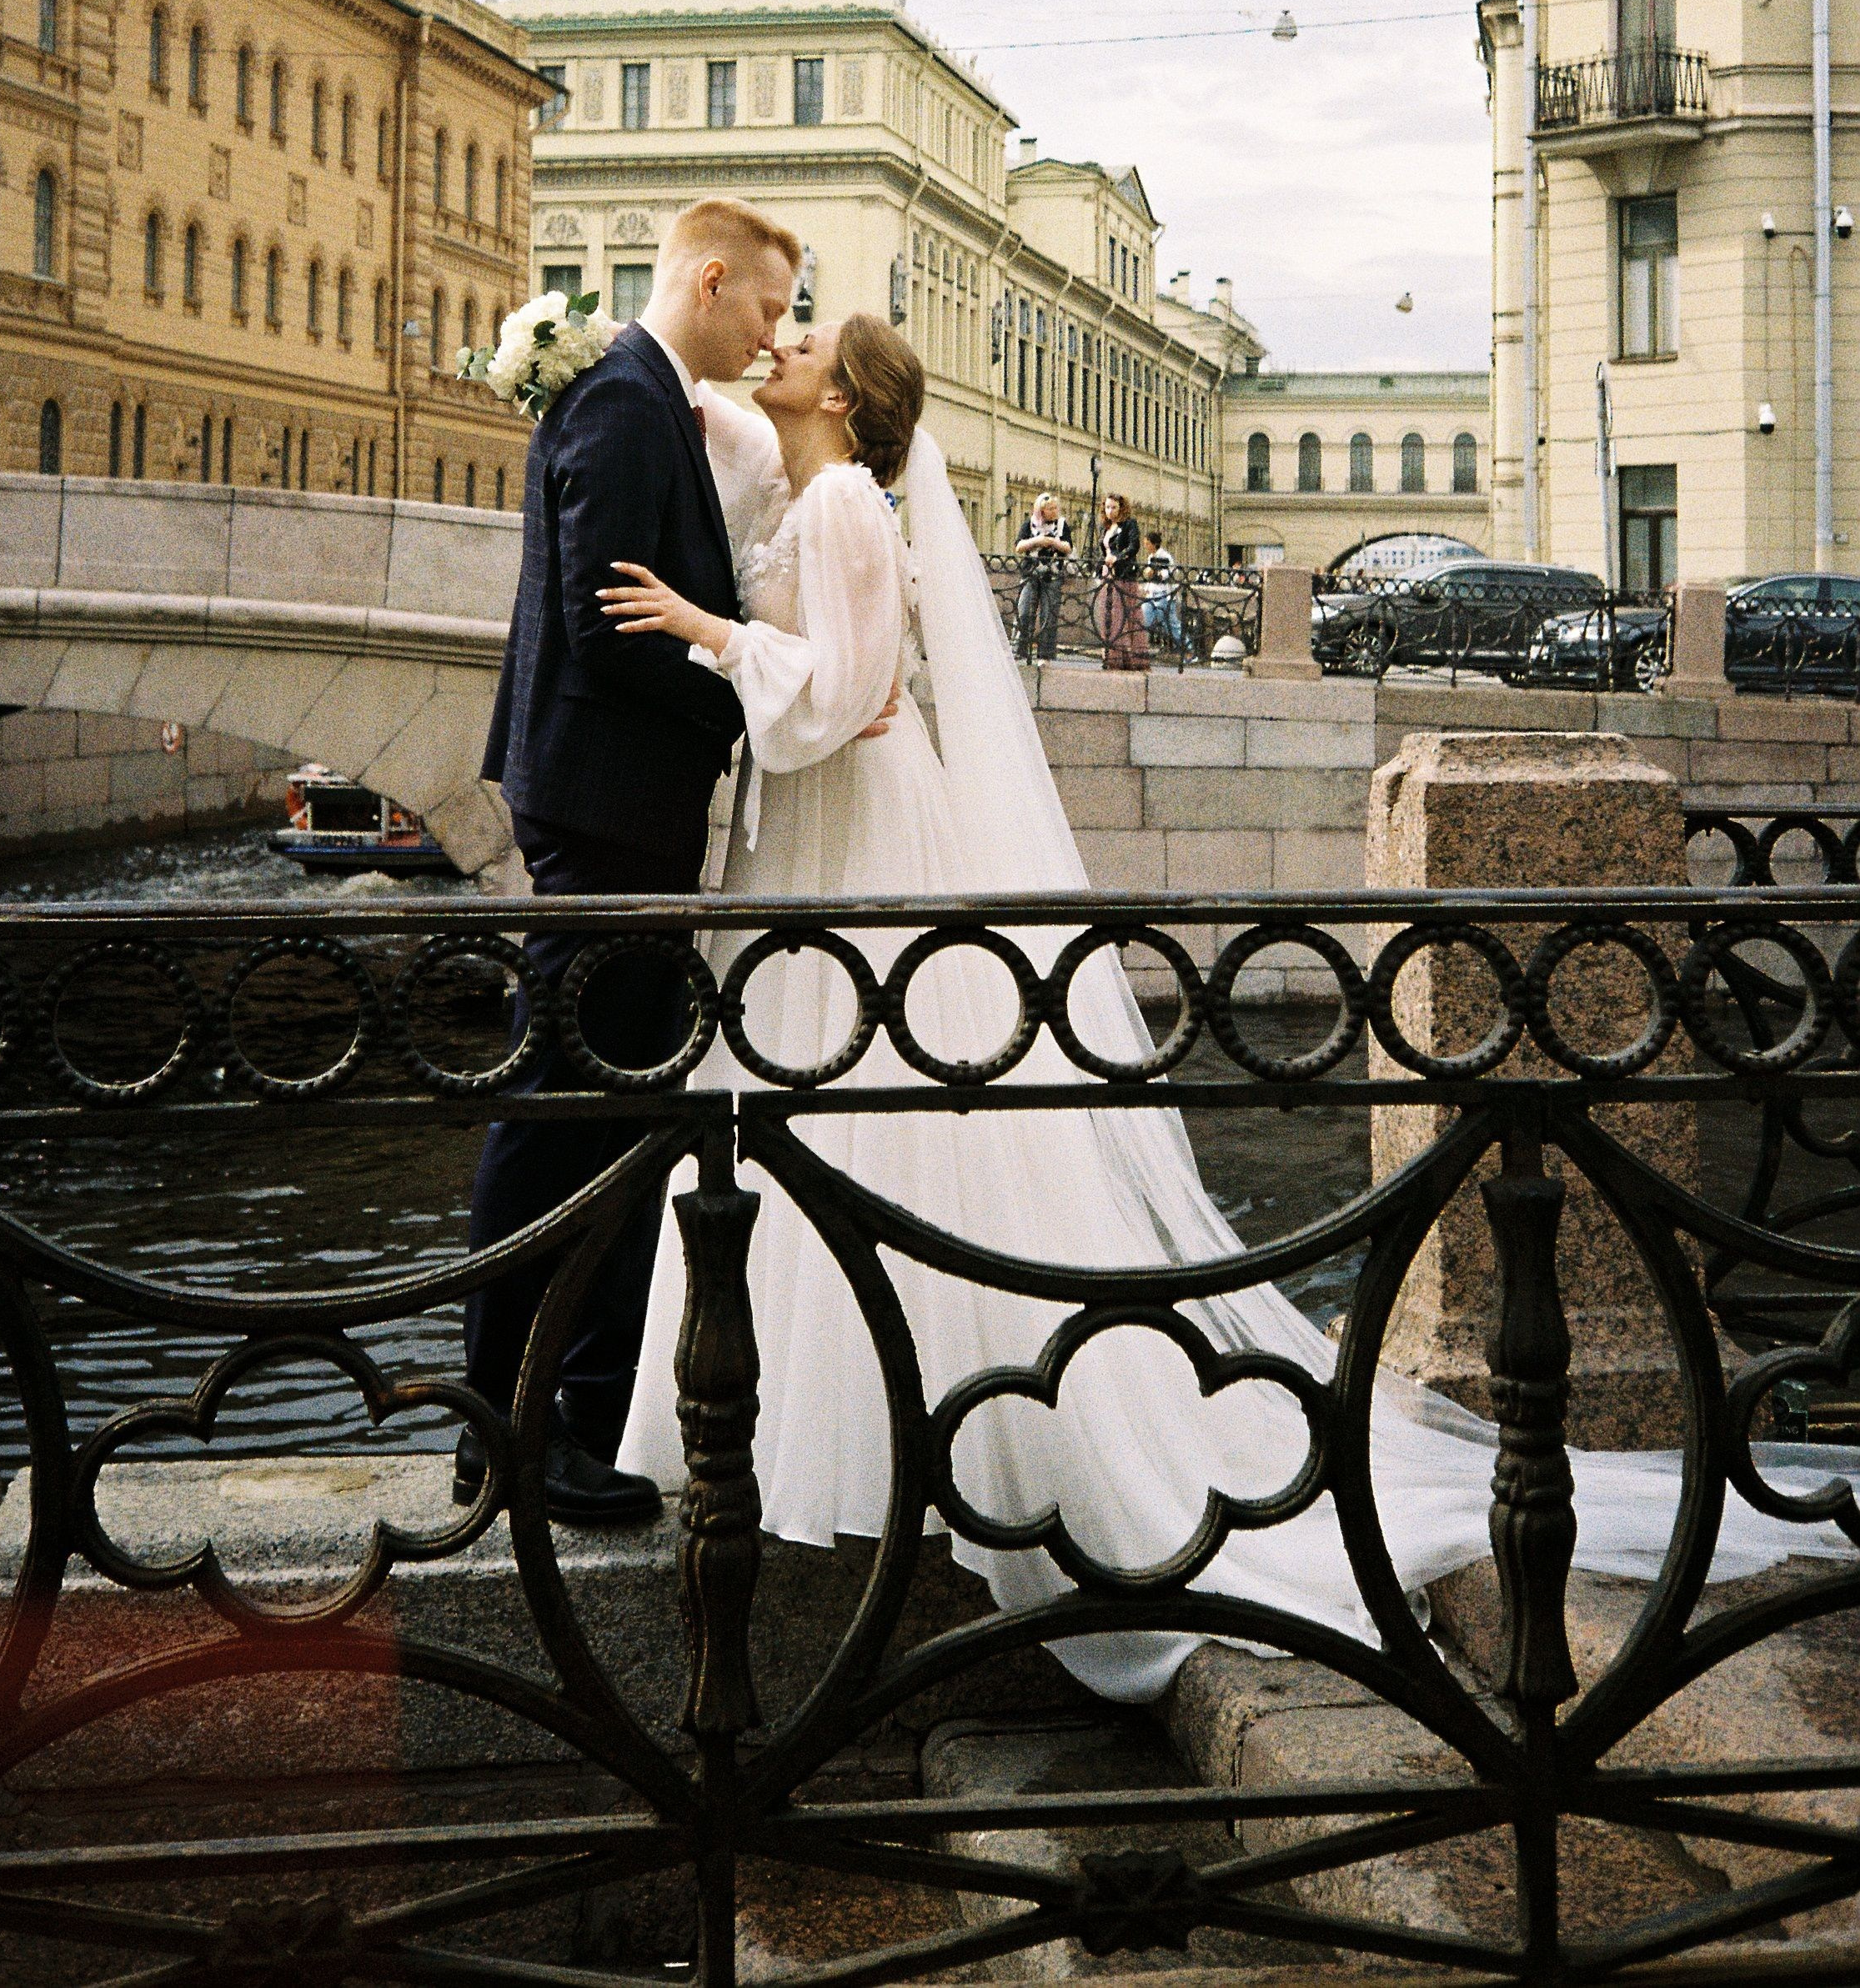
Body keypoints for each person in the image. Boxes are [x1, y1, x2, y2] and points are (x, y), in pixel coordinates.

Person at [598, 313, 1859, 1704]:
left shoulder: (840, 494)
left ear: (842, 395)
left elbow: (842, 695)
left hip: (855, 828)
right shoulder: (824, 482)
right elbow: (727, 453)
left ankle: (891, 1439)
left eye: (799, 341)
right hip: (836, 828)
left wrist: (705, 631)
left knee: (863, 1109)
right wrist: (630, 352)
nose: (772, 343)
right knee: (858, 1118)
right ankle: (862, 1432)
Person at [461, 196, 802, 1522]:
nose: (775, 332)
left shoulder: (649, 399)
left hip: (617, 803)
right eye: (768, 305)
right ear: (710, 279)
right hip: (603, 806)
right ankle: (509, 1432)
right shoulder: (618, 401)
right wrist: (755, 704)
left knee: (609, 1114)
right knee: (560, 1114)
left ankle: (560, 1424)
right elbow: (609, 631)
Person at [1010, 491, 1072, 662]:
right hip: (1031, 573)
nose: (1054, 511)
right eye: (1049, 508)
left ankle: (1046, 654)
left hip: (1053, 574)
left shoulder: (1061, 524)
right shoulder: (1030, 524)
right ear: (1041, 510)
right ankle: (1019, 649)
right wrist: (1037, 541)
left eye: (1055, 508)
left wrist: (1053, 543)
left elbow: (1068, 547)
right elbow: (1019, 546)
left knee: (1049, 614)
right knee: (1024, 611)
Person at [1096, 490, 1146, 669]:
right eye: (1107, 507)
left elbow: (1134, 546)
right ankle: (1110, 655)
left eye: (1114, 507)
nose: (1110, 511)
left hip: (1123, 574)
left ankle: (1126, 658)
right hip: (1107, 573)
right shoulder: (1106, 527)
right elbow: (1102, 550)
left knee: (1123, 615)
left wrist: (1117, 557)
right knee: (1108, 613)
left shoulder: (1129, 524)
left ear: (1121, 508)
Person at [1140, 528, 1182, 658]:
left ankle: (1185, 648)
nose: (1145, 546)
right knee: (1144, 619)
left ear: (1154, 544)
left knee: (1171, 625)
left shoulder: (1165, 557)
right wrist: (1146, 587)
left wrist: (1157, 574)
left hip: (1164, 595)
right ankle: (1141, 647)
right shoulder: (1151, 557)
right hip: (1152, 594)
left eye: (1147, 543)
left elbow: (1170, 572)